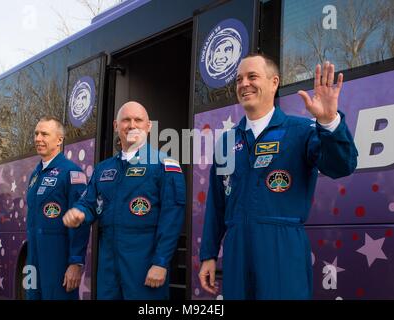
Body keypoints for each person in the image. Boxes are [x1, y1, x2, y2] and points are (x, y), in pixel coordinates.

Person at [199, 54, 358, 299]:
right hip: (236, 250)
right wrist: (208, 254)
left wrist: (328, 123)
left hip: (282, 248)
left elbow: (341, 166)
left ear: (274, 82)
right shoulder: (226, 142)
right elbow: (217, 204)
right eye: (239, 79)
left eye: (252, 76)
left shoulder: (301, 131)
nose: (244, 84)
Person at [63, 101, 186, 300]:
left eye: (138, 120)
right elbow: (89, 204)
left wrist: (161, 262)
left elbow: (171, 219)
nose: (132, 125)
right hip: (109, 268)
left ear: (149, 126)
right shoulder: (103, 169)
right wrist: (79, 212)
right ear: (115, 126)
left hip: (144, 265)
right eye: (126, 120)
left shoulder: (164, 164)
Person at [26, 116, 90, 300]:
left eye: (44, 134)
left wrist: (76, 262)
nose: (38, 138)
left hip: (57, 259)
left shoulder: (72, 172)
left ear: (59, 140)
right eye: (36, 133)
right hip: (33, 259)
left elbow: (80, 220)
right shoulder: (34, 175)